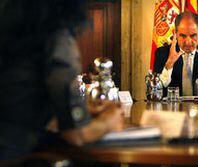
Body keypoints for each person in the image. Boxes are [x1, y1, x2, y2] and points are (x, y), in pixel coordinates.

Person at [0, 0, 123, 161]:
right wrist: (108, 122)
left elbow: (22, 104)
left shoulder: (11, 29)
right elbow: (77, 135)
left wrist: (82, 109)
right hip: (16, 155)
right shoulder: (57, 36)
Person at [153, 11, 198, 96]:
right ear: (175, 33)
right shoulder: (162, 53)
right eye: (183, 36)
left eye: (193, 36)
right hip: (172, 108)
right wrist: (169, 64)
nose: (188, 42)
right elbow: (156, 92)